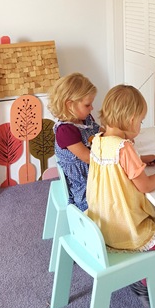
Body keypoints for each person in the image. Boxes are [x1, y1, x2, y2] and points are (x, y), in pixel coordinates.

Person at [86, 85, 155, 308]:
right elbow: (145, 185)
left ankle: (145, 265)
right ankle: (145, 281)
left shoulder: (97, 140)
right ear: (131, 119)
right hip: (126, 230)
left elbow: (117, 168)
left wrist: (141, 159)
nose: (141, 126)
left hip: (103, 225)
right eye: (141, 121)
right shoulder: (125, 148)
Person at [47, 73, 100, 212]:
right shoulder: (66, 131)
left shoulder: (85, 118)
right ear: (70, 105)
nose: (91, 108)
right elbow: (88, 158)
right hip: (84, 181)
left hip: (94, 169)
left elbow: (100, 131)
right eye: (88, 105)